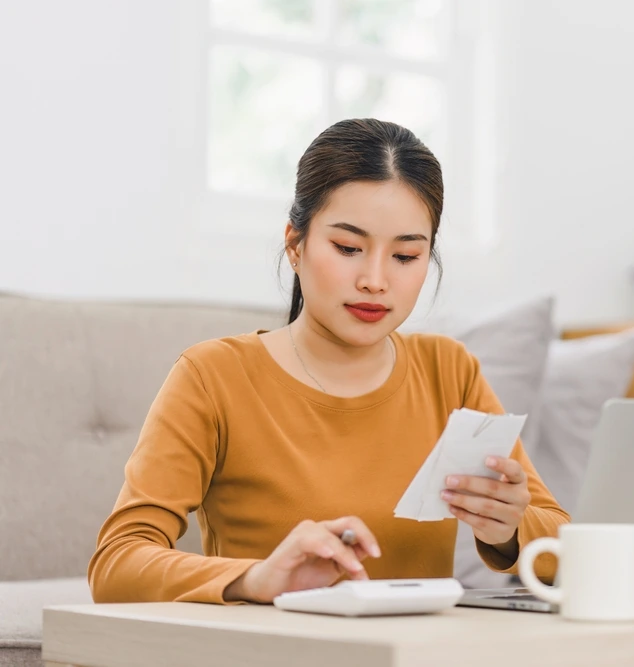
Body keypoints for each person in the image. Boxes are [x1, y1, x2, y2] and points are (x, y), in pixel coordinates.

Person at [88, 118, 569, 605]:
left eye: (405, 256)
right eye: (348, 248)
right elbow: (116, 563)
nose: (375, 280)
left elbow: (564, 543)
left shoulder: (449, 370)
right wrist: (258, 579)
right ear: (295, 244)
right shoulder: (213, 377)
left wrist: (509, 528)